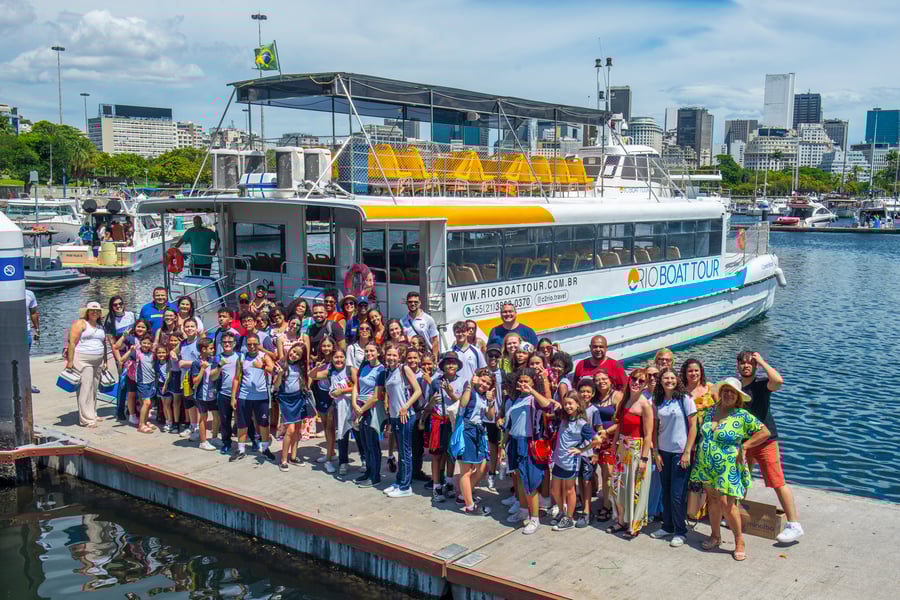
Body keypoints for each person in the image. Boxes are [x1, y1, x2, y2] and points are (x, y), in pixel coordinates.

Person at [690, 377, 771, 561]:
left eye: (732, 392)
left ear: (738, 397)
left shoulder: (741, 415)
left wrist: (745, 446)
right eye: (725, 391)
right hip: (707, 463)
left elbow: (764, 432)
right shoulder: (710, 411)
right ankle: (715, 536)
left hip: (728, 465)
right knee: (712, 499)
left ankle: (739, 540)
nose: (728, 394)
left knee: (727, 503)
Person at [738, 351, 804, 543]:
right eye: (742, 363)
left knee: (776, 481)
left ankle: (794, 525)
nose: (746, 366)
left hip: (765, 440)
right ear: (738, 365)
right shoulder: (737, 387)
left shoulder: (761, 385)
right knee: (741, 478)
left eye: (750, 363)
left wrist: (761, 361)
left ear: (755, 366)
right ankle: (736, 512)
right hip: (744, 441)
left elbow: (778, 381)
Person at [599, 368, 653, 538]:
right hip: (622, 448)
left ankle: (634, 526)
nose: (636, 383)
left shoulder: (645, 405)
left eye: (641, 381)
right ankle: (621, 520)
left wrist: (644, 459)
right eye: (634, 379)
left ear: (645, 385)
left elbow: (648, 434)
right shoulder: (625, 400)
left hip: (637, 449)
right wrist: (614, 446)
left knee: (634, 488)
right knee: (619, 487)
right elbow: (620, 426)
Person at [649, 368, 697, 548]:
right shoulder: (657, 400)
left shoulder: (685, 399)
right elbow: (655, 428)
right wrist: (655, 452)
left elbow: (693, 427)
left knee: (677, 495)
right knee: (666, 492)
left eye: (672, 378)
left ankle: (680, 531)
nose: (669, 381)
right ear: (660, 381)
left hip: (680, 453)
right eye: (665, 378)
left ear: (677, 379)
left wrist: (687, 452)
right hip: (663, 452)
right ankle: (667, 526)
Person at [504, 367, 554, 535]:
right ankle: (523, 510)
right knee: (519, 478)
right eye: (521, 381)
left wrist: (532, 390)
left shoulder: (534, 399)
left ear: (533, 383)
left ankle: (535, 519)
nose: (523, 383)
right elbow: (510, 424)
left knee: (530, 483)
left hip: (528, 443)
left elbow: (548, 405)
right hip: (514, 441)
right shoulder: (516, 399)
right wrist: (504, 444)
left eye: (527, 381)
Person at [377, 345, 422, 498]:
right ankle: (399, 481)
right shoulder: (387, 372)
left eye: (394, 355)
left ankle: (405, 486)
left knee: (405, 452)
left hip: (405, 416)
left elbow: (418, 391)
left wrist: (405, 407)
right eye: (389, 355)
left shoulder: (404, 369)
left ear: (399, 356)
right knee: (400, 451)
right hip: (395, 416)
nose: (391, 358)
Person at [550, 392, 595, 531]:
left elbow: (597, 440)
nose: (567, 406)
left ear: (578, 404)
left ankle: (569, 519)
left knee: (570, 490)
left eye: (570, 403)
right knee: (555, 490)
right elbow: (550, 402)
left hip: (570, 462)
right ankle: (562, 512)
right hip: (559, 460)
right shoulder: (564, 418)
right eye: (565, 403)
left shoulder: (582, 424)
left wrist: (581, 450)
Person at [426, 351, 467, 502]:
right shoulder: (435, 382)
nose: (450, 365)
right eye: (447, 363)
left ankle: (449, 483)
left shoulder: (463, 382)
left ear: (458, 366)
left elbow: (463, 404)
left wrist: (451, 394)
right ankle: (437, 486)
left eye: (453, 363)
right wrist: (430, 404)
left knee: (451, 454)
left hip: (454, 422)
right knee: (436, 455)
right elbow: (428, 403)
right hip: (438, 421)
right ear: (442, 366)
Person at [230, 334, 276, 462]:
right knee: (242, 424)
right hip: (244, 396)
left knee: (263, 424)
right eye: (249, 344)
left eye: (254, 344)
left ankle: (265, 449)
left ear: (258, 344)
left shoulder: (264, 356)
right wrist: (233, 397)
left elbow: (274, 370)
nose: (252, 346)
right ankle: (241, 450)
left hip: (261, 397)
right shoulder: (242, 358)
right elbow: (236, 378)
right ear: (246, 345)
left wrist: (262, 367)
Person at [456, 368, 495, 515]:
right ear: (477, 378)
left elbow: (490, 416)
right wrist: (470, 386)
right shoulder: (471, 391)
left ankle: (463, 496)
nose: (484, 384)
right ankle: (470, 507)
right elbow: (463, 404)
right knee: (466, 471)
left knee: (482, 468)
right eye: (483, 380)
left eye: (488, 383)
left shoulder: (484, 397)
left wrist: (491, 402)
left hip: (478, 432)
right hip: (467, 430)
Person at [311, 348, 356, 477]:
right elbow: (312, 376)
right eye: (336, 357)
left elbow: (358, 386)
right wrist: (316, 368)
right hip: (339, 407)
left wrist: (342, 391)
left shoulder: (350, 370)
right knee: (342, 434)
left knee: (358, 434)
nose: (339, 360)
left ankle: (364, 461)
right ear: (332, 359)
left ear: (345, 358)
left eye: (341, 357)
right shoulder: (330, 371)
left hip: (353, 406)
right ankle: (343, 462)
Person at [66, 301, 108, 428]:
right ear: (87, 312)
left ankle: (92, 413)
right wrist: (70, 361)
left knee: (94, 388)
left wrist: (105, 360)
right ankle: (86, 419)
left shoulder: (100, 326)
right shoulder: (81, 323)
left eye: (97, 311)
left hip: (98, 361)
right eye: (92, 310)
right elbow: (71, 342)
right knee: (85, 388)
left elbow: (104, 344)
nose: (95, 312)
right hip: (83, 360)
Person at [273, 343, 312, 470]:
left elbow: (307, 380)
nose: (294, 355)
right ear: (290, 349)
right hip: (286, 400)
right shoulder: (281, 363)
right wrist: (280, 374)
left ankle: (293, 457)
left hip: (299, 398)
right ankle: (283, 460)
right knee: (290, 430)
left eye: (298, 354)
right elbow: (276, 385)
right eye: (293, 351)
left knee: (297, 429)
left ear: (301, 357)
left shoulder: (301, 366)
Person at [352, 342, 386, 487]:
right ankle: (369, 471)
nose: (369, 353)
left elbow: (376, 396)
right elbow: (356, 385)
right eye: (366, 351)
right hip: (360, 407)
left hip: (371, 409)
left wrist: (361, 410)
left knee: (372, 444)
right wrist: (355, 404)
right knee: (364, 443)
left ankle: (375, 476)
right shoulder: (364, 366)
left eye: (372, 351)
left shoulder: (381, 370)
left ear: (378, 352)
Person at [591, 369, 621, 522]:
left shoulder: (617, 396)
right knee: (597, 472)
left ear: (610, 380)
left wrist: (607, 431)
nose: (601, 382)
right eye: (597, 380)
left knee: (608, 473)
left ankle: (607, 506)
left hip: (611, 439)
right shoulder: (593, 397)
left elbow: (623, 420)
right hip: (594, 439)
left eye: (604, 379)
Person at [189, 338, 221, 451]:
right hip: (201, 394)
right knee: (204, 417)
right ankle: (203, 442)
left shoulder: (214, 361)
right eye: (211, 348)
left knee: (216, 415)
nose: (213, 350)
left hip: (213, 393)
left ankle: (214, 438)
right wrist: (202, 369)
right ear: (203, 349)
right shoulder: (196, 363)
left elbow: (214, 376)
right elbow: (195, 381)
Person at [123, 335, 157, 433]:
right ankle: (141, 425)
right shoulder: (137, 353)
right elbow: (122, 360)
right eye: (144, 343)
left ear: (151, 344)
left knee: (146, 404)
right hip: (142, 381)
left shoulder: (152, 353)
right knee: (147, 403)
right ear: (140, 343)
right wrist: (130, 350)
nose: (146, 345)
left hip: (151, 381)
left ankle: (145, 422)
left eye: (148, 343)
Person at [214, 332, 241, 456]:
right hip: (223, 393)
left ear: (234, 344)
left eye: (230, 342)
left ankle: (247, 442)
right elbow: (213, 377)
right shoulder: (218, 358)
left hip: (240, 394)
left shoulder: (240, 356)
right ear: (221, 344)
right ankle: (226, 442)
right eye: (225, 342)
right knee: (225, 421)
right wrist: (219, 366)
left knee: (242, 420)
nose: (227, 344)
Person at [483, 344, 504, 490]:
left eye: (496, 356)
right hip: (483, 413)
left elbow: (505, 394)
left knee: (496, 444)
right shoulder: (481, 372)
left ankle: (493, 472)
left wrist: (502, 412)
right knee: (486, 445)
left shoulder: (503, 374)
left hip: (497, 414)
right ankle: (484, 472)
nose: (493, 358)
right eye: (491, 355)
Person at [401, 291, 440, 362]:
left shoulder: (428, 319)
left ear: (419, 303)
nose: (413, 304)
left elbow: (435, 340)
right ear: (406, 303)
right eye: (410, 302)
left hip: (426, 358)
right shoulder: (402, 321)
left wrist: (434, 359)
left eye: (415, 302)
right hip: (411, 358)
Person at [25, 288, 40, 393]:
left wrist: (37, 329)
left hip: (26, 331)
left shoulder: (29, 294)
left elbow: (33, 312)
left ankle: (27, 385)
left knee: (25, 360)